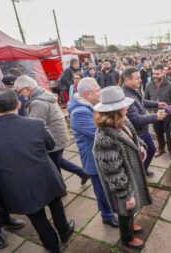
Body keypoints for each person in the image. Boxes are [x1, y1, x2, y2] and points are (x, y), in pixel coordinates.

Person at [0, 88, 74, 253]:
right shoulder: (35, 124)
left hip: (17, 186)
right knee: (56, 205)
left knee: (38, 219)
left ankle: (52, 247)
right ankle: (64, 231)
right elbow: (50, 145)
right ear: (18, 103)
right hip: (46, 177)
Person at [93, 86, 152, 250]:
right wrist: (126, 195)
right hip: (122, 184)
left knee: (130, 209)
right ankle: (127, 239)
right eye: (123, 105)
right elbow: (113, 173)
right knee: (125, 210)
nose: (127, 107)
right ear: (114, 110)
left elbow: (134, 139)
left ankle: (131, 225)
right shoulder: (104, 137)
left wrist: (141, 147)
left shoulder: (123, 120)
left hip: (130, 176)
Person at [15, 75, 89, 184]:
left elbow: (35, 126)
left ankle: (60, 188)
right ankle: (82, 173)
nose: (19, 94)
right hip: (57, 135)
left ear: (28, 89)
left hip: (52, 139)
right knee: (57, 161)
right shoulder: (43, 93)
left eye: (19, 91)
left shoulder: (37, 103)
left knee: (54, 166)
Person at [67, 78, 119, 228]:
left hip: (100, 155)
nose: (100, 92)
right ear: (87, 94)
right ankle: (107, 216)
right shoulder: (79, 112)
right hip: (93, 159)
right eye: (97, 90)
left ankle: (110, 210)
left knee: (107, 186)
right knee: (101, 189)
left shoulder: (90, 106)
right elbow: (99, 133)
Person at [122, 67, 167, 177]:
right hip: (136, 133)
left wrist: (156, 104)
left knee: (151, 149)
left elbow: (141, 102)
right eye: (137, 78)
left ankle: (143, 169)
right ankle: (138, 175)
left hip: (143, 130)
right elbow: (136, 119)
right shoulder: (126, 96)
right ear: (128, 80)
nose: (140, 80)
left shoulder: (132, 91)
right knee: (140, 156)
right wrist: (156, 116)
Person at [145, 64, 171, 161]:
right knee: (158, 133)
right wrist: (150, 111)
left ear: (163, 73)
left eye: (157, 74)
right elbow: (145, 99)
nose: (155, 76)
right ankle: (161, 148)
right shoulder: (149, 85)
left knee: (169, 134)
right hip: (155, 115)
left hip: (168, 115)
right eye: (153, 74)